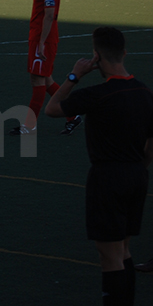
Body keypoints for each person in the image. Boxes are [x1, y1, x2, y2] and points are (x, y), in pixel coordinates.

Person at [45, 27, 153, 306]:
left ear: (96, 56)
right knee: (124, 251)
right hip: (137, 176)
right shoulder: (144, 91)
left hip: (107, 178)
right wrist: (140, 167)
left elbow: (53, 108)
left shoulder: (97, 94)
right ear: (124, 53)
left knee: (110, 258)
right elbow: (151, 144)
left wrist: (74, 76)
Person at [10, 0, 82, 135]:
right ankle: (73, 116)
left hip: (43, 39)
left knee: (37, 80)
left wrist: (41, 42)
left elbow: (49, 15)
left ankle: (29, 125)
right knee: (46, 79)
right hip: (40, 37)